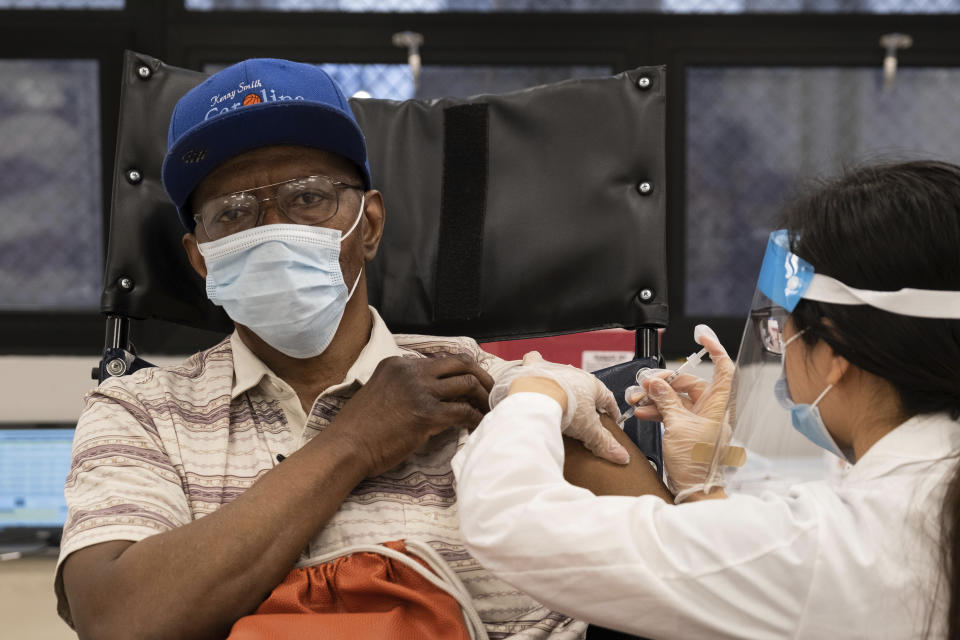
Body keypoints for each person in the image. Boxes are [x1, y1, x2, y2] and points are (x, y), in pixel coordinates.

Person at [54, 58, 663, 640]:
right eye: (233, 212)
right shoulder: (140, 413)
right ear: (199, 258)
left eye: (308, 198)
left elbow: (669, 566)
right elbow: (118, 621)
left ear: (368, 226)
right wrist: (355, 442)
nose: (271, 227)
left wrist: (690, 470)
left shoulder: (493, 388)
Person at [453, 161, 960, 638]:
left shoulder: (842, 546)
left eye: (787, 331)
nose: (781, 351)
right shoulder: (913, 505)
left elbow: (511, 522)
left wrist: (536, 393)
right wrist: (702, 481)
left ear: (834, 354)